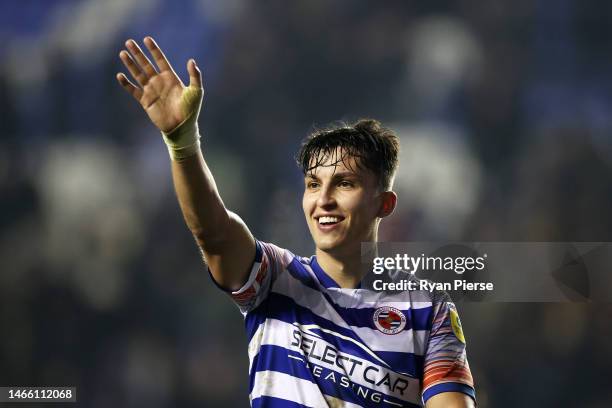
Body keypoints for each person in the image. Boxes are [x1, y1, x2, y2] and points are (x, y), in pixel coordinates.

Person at [116, 36, 476, 408]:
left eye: (345, 183)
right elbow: (215, 234)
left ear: (383, 204)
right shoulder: (276, 280)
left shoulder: (427, 309)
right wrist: (182, 141)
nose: (324, 199)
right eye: (313, 184)